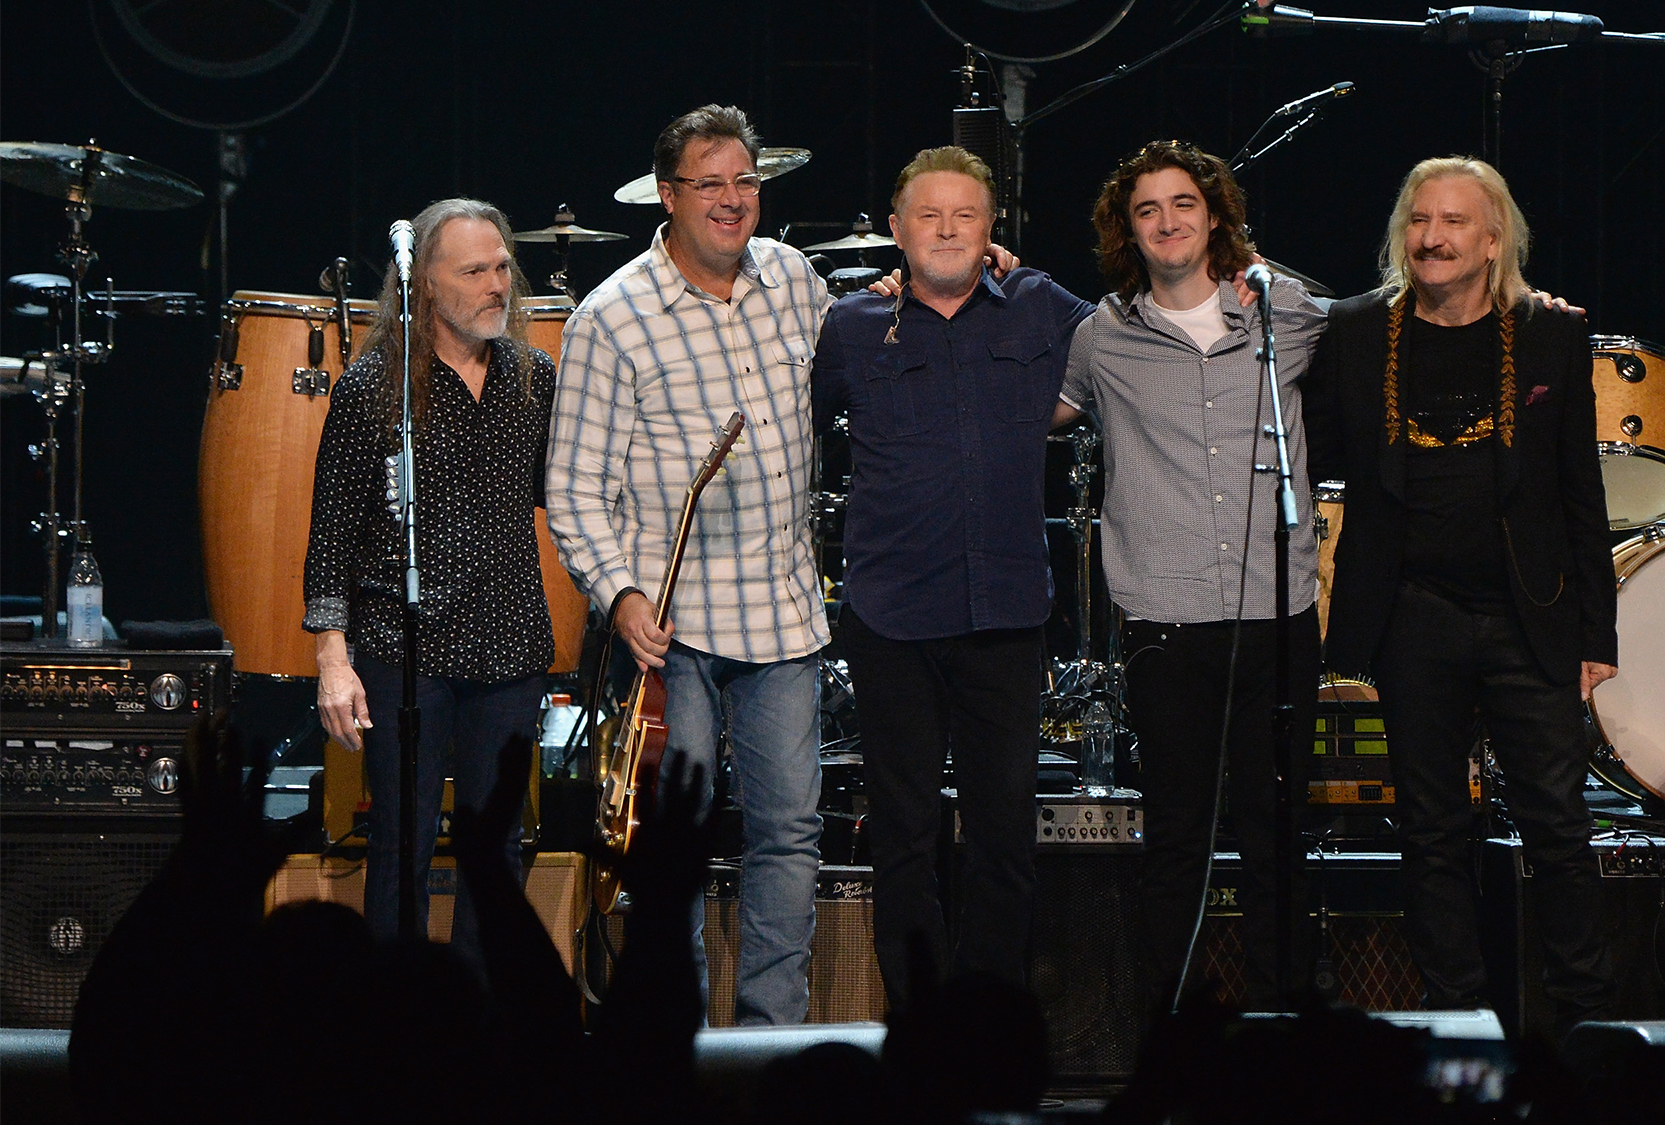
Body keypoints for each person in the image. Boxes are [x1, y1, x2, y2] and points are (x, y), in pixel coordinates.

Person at [545, 106, 1016, 1024]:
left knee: (789, 836)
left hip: (783, 616)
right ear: (668, 196)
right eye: (710, 184)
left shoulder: (795, 279)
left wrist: (946, 269)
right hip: (669, 628)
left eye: (745, 182)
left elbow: (881, 335)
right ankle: (670, 1035)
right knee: (671, 843)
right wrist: (623, 595)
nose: (731, 201)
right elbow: (572, 489)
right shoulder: (612, 316)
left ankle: (771, 1040)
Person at [1303, 156, 1617, 1027]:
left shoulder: (1551, 331)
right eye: (1418, 220)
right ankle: (1458, 1015)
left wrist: (1599, 634)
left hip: (1531, 614)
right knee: (1433, 830)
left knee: (1558, 824)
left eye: (1451, 223)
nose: (1432, 238)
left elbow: (1577, 491)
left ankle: (1584, 1017)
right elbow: (1318, 451)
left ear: (1491, 240)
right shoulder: (1358, 330)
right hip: (1412, 612)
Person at [811, 146, 1093, 1011]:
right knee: (903, 835)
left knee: (1004, 836)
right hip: (891, 613)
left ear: (991, 227)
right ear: (895, 230)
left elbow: (1135, 343)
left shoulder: (1045, 309)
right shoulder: (853, 324)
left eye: (964, 215)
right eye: (927, 215)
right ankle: (922, 1022)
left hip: (1005, 611)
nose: (945, 230)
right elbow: (801, 436)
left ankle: (989, 1024)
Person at [1055, 140, 1326, 1009]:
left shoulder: (1285, 314)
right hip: (1166, 621)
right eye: (1147, 210)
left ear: (1215, 217)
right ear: (1126, 230)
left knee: (1279, 834)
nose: (1168, 222)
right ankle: (1165, 1040)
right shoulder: (1101, 336)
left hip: (1277, 613)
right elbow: (1037, 411)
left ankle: (1284, 1026)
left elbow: (1402, 314)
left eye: (1184, 204)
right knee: (1177, 839)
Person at [306, 197, 555, 952]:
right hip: (402, 647)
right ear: (424, 288)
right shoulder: (374, 388)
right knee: (402, 847)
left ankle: (485, 1037)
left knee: (496, 854)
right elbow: (331, 537)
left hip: (509, 644)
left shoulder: (534, 377)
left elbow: (570, 492)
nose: (497, 284)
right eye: (474, 270)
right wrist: (332, 661)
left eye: (503, 266)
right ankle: (398, 1031)